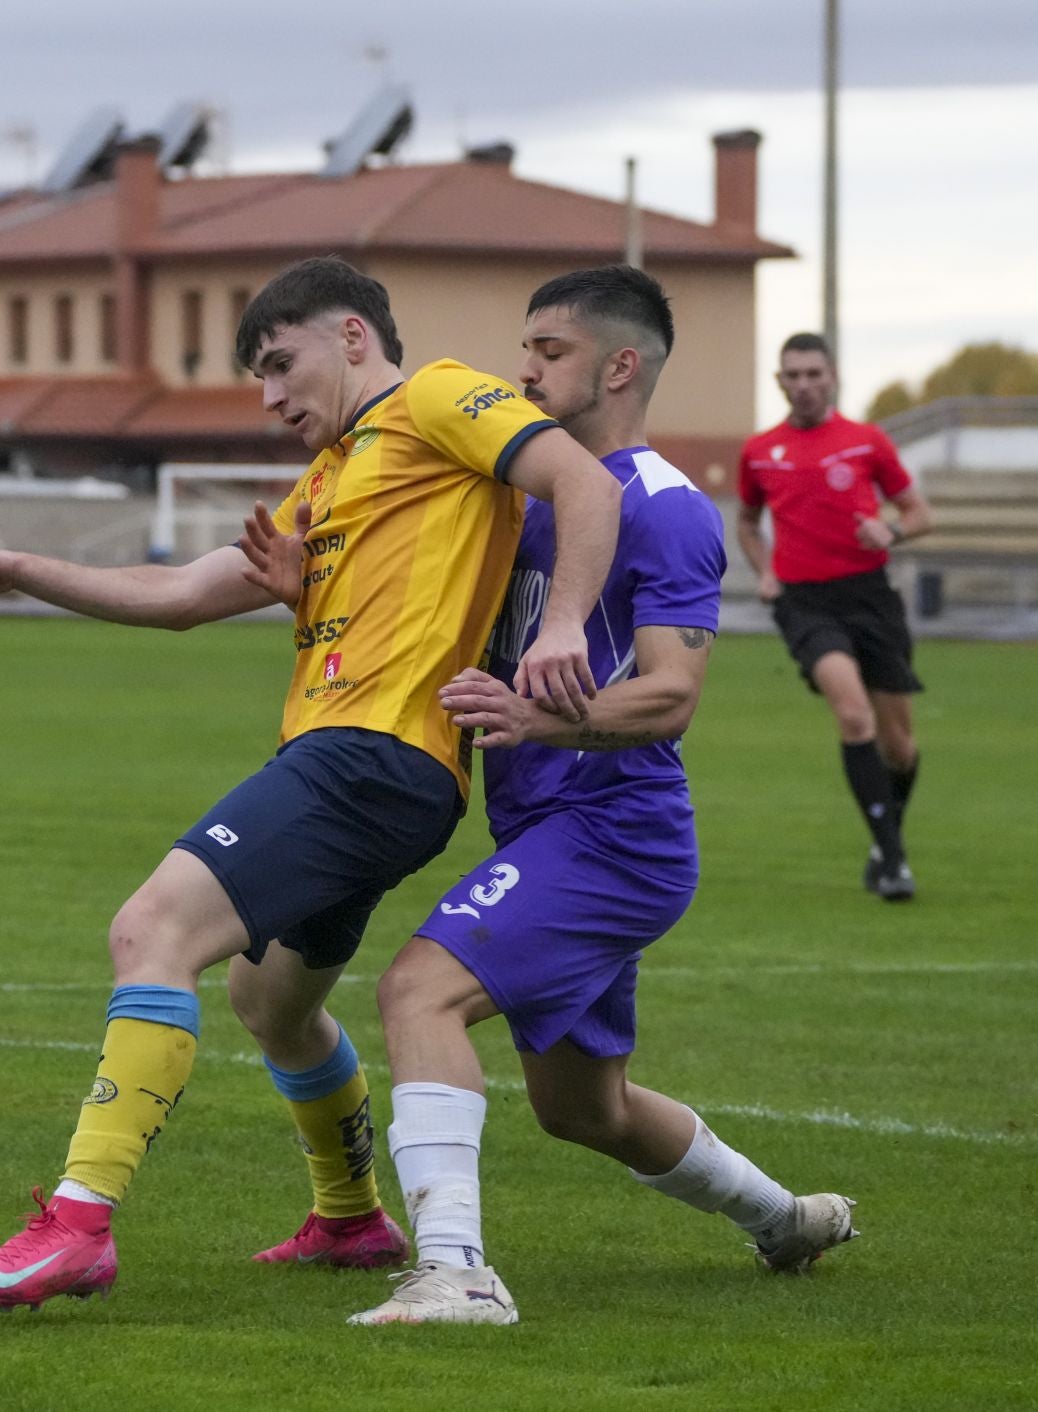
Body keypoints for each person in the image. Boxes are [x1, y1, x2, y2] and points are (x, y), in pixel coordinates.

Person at [0, 256, 624, 1311]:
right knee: (271, 1004)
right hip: (364, 768)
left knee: (151, 928)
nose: (272, 395)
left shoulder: (434, 397)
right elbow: (184, 591)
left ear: (356, 339)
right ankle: (350, 1216)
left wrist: (561, 627)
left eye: (282, 364)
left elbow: (585, 480)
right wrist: (16, 569)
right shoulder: (331, 478)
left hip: (372, 754)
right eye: (259, 378)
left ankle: (79, 1219)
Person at [324, 267, 856, 1328]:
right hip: (550, 824)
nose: (524, 369)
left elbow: (671, 693)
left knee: (416, 991)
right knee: (585, 1107)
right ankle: (785, 1216)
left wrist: (539, 720)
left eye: (550, 351)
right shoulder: (533, 495)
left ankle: (459, 1273)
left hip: (614, 831)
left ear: (620, 365)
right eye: (524, 349)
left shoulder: (663, 509)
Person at [736, 334, 933, 900]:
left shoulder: (867, 441)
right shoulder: (759, 451)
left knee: (900, 748)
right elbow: (748, 523)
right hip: (803, 603)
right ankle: (894, 864)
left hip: (871, 597)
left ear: (833, 376)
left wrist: (891, 530)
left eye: (812, 374)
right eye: (791, 375)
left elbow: (920, 513)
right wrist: (765, 571)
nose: (802, 385)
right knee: (853, 716)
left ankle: (883, 839)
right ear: (779, 382)